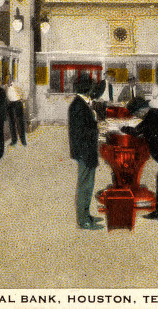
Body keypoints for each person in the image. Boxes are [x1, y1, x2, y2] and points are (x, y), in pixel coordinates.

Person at [67, 74, 104, 230]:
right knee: (85, 186)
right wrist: (98, 130)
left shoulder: (81, 103)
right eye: (91, 87)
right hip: (84, 151)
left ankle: (86, 215)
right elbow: (81, 132)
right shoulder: (78, 105)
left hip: (86, 150)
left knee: (88, 185)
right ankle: (83, 221)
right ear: (87, 89)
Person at [5, 76, 26, 146]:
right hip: (10, 105)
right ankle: (14, 141)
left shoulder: (17, 85)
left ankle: (23, 140)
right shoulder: (5, 87)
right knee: (11, 124)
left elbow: (23, 93)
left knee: (20, 123)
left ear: (11, 79)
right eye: (7, 80)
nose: (8, 81)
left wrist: (22, 100)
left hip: (17, 104)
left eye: (9, 79)